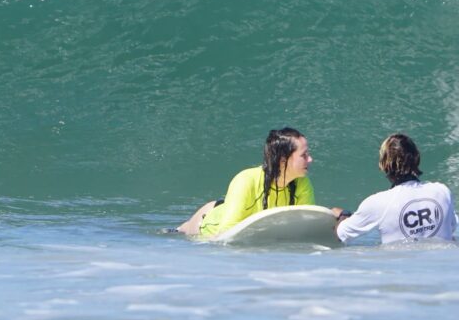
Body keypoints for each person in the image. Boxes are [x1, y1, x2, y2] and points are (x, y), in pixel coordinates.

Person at [177, 127, 315, 238]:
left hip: (231, 211)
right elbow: (224, 235)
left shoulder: (302, 183)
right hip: (207, 223)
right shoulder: (245, 180)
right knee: (176, 234)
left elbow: (306, 228)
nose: (310, 159)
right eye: (304, 155)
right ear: (283, 160)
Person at [334, 133, 457, 244]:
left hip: (401, 267)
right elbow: (451, 229)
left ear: (384, 164)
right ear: (417, 158)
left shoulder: (378, 203)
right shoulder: (442, 191)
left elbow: (340, 235)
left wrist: (343, 215)